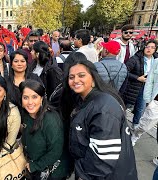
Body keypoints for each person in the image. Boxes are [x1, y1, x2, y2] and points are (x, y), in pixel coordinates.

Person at [60, 52, 137, 180]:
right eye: (71, 77)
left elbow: (102, 160)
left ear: (94, 78)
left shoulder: (104, 108)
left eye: (81, 75)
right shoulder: (85, 99)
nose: (75, 80)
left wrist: (83, 176)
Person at [20, 79, 71, 180]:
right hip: (35, 166)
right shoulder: (26, 114)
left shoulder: (50, 120)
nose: (30, 102)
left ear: (42, 98)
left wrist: (35, 166)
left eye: (34, 97)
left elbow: (56, 151)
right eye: (25, 97)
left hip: (52, 172)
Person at [124, 40, 158, 128]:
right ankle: (118, 124)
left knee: (140, 110)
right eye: (147, 46)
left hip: (146, 88)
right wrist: (138, 78)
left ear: (155, 50)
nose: (149, 49)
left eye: (152, 47)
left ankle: (134, 129)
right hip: (132, 88)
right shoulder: (136, 58)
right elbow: (124, 71)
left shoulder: (156, 60)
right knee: (125, 106)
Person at [131, 57, 158, 146]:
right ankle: (135, 135)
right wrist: (148, 100)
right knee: (144, 125)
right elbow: (150, 80)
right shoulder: (157, 61)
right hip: (156, 101)